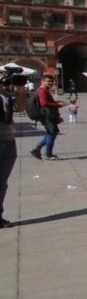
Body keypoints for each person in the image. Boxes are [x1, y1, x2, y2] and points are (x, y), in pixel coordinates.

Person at [0, 72, 25, 227]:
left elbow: (20, 108)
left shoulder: (5, 95)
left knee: (2, 182)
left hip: (8, 140)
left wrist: (20, 91)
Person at [30, 73, 65, 160]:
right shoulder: (42, 90)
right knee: (51, 133)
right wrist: (58, 104)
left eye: (52, 82)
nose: (50, 83)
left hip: (47, 115)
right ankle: (48, 154)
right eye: (48, 81)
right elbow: (44, 103)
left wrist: (57, 102)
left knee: (52, 133)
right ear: (42, 81)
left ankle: (37, 149)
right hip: (47, 115)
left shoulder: (43, 90)